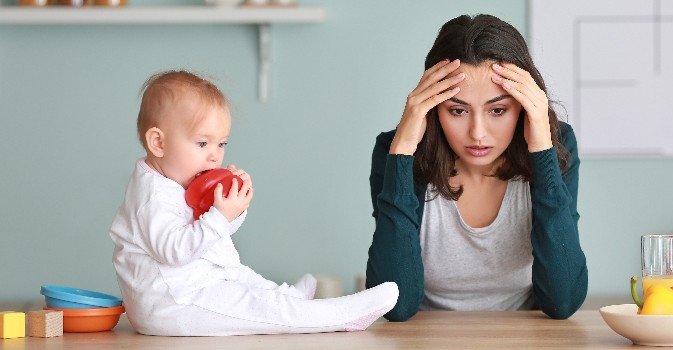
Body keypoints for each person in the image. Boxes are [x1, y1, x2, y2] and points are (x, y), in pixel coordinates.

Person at [109, 71, 398, 336]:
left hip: (198, 283)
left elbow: (212, 233)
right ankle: (338, 316)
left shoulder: (175, 179)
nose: (214, 156)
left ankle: (286, 297)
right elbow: (176, 251)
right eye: (202, 143)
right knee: (252, 306)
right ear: (158, 143)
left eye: (221, 144)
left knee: (242, 277)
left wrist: (234, 206)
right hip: (172, 304)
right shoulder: (151, 197)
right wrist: (220, 217)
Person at [365, 14, 587, 321]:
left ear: (524, 106)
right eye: (457, 110)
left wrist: (542, 150)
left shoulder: (557, 146)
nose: (478, 133)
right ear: (431, 106)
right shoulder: (398, 150)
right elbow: (396, 307)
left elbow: (563, 302)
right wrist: (402, 151)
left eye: (497, 110)